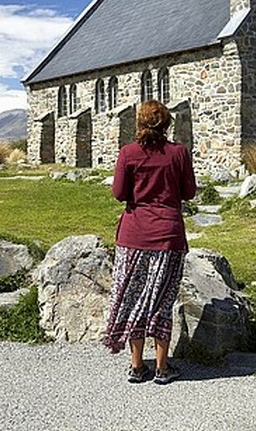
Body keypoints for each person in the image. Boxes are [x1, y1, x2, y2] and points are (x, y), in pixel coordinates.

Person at [103, 99, 197, 385]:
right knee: (161, 300)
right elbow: (189, 192)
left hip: (133, 237)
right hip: (168, 236)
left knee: (132, 297)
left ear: (139, 123)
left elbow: (119, 194)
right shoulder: (178, 153)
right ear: (167, 124)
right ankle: (162, 367)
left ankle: (136, 366)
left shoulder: (128, 153)